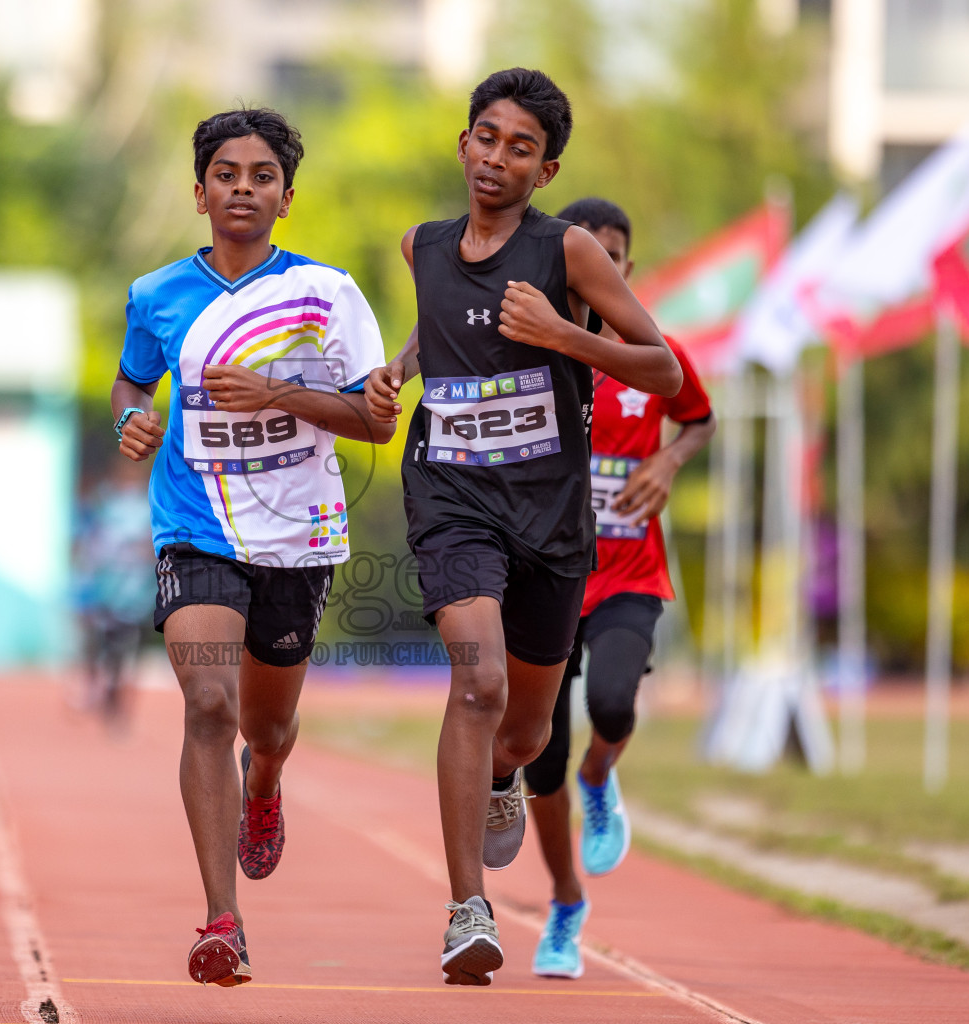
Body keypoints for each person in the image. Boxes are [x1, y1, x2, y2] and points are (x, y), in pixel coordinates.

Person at [365, 69, 681, 986]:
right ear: (463, 144)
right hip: (454, 497)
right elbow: (445, 333)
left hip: (550, 513)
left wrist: (563, 336)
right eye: (487, 138)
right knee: (478, 681)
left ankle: (506, 777)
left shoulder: (570, 252)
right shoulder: (421, 245)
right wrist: (397, 370)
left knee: (528, 730)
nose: (498, 158)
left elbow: (661, 369)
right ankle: (469, 909)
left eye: (522, 148)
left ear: (546, 171)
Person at [112, 107, 392, 986]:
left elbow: (375, 419)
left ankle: (263, 785)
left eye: (261, 175)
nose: (243, 188)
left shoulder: (329, 294)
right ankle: (220, 920)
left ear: (287, 197)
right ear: (199, 194)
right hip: (194, 527)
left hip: (296, 535)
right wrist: (131, 418)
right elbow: (131, 381)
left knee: (264, 727)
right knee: (206, 702)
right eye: (226, 174)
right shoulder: (156, 295)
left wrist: (276, 393)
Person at [524, 197, 716, 979]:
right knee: (539, 756)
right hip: (544, 574)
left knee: (612, 704)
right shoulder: (529, 350)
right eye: (586, 253)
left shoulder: (652, 351)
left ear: (625, 272)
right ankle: (566, 905)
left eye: (615, 256)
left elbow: (699, 416)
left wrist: (668, 461)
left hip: (629, 570)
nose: (602, 267)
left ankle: (601, 776)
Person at [72, 456, 156, 728]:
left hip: (133, 588)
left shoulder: (148, 505)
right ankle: (95, 683)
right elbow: (90, 538)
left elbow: (152, 543)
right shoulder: (105, 502)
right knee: (97, 638)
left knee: (123, 643)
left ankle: (114, 697)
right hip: (104, 585)